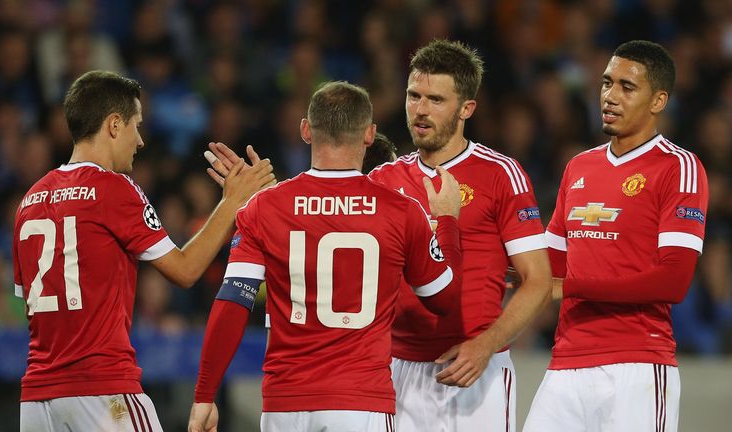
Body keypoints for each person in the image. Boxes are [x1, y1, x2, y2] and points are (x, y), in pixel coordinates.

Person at [204, 40, 552, 432]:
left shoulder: (500, 173)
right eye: (413, 96)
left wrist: (486, 346)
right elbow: (318, 218)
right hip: (394, 370)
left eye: (436, 99)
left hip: (473, 369)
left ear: (466, 108)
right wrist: (252, 197)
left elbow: (537, 281)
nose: (420, 110)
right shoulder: (384, 180)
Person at [187, 81, 463, 432]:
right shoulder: (402, 212)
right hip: (359, 404)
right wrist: (448, 222)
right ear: (369, 135)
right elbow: (445, 299)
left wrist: (204, 395)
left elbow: (231, 304)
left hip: (285, 405)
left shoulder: (264, 208)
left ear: (305, 130)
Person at [12, 70, 274, 431]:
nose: (140, 140)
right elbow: (184, 270)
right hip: (102, 392)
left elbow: (28, 299)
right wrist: (232, 202)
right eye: (136, 125)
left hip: (36, 401)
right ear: (114, 125)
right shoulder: (113, 188)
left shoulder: (30, 200)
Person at [523, 40, 708, 432]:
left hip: (637, 365)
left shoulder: (679, 168)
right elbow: (547, 270)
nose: (610, 96)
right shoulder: (578, 167)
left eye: (627, 87)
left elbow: (673, 281)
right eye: (607, 83)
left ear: (658, 101)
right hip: (566, 363)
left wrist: (569, 286)